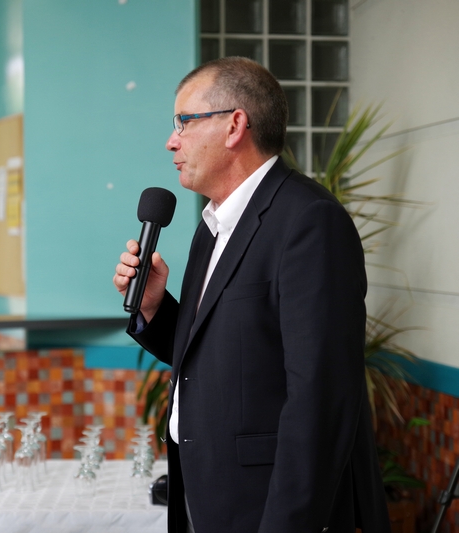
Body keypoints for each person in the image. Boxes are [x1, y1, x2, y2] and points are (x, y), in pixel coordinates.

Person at [113, 57, 391, 533]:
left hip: (268, 508)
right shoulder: (213, 226)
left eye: (183, 121)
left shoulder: (308, 222)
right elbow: (219, 358)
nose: (171, 140)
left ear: (234, 125)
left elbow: (320, 400)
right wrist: (155, 309)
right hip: (206, 495)